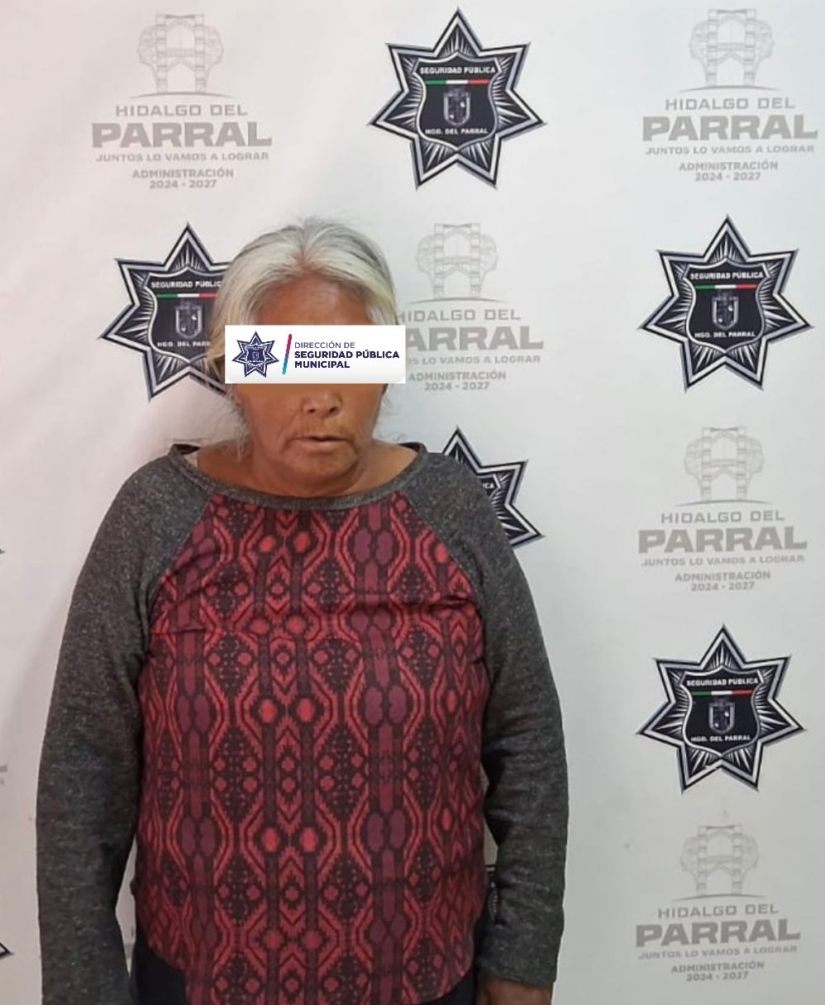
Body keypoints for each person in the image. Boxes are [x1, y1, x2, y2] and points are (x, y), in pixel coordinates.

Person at [37, 219, 568, 1005]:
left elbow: (529, 745)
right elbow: (83, 776)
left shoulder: (449, 512)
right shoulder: (155, 519)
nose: (320, 398)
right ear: (236, 373)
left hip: (427, 981)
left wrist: (522, 961)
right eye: (284, 363)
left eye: (348, 361)